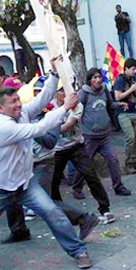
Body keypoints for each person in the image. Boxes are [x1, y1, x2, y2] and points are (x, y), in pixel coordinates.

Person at [0, 70, 94, 270]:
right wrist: (65, 108)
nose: (17, 105)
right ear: (0, 107)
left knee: (53, 212)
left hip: (25, 183)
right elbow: (39, 129)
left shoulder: (20, 113)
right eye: (12, 102)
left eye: (17, 100)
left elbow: (41, 100)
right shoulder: (0, 127)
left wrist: (55, 74)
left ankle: (79, 251)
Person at [50, 85, 114, 224]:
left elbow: (68, 125)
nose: (65, 93)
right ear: (55, 93)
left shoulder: (76, 105)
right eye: (61, 90)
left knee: (91, 175)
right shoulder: (49, 107)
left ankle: (105, 209)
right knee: (53, 183)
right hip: (57, 150)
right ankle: (61, 212)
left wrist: (46, 129)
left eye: (65, 89)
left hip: (75, 146)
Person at [71, 68, 132, 197]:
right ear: (90, 80)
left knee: (113, 160)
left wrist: (119, 104)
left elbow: (110, 104)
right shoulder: (83, 94)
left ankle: (118, 187)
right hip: (89, 136)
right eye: (94, 78)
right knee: (85, 163)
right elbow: (75, 110)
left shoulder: (104, 91)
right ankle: (76, 188)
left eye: (99, 77)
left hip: (105, 135)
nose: (98, 80)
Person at [113, 58, 136, 174]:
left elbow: (133, 96)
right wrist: (132, 89)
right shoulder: (120, 80)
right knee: (130, 137)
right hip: (123, 113)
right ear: (126, 68)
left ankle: (134, 161)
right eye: (133, 69)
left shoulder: (131, 79)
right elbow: (118, 96)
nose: (135, 71)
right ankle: (127, 164)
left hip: (133, 110)